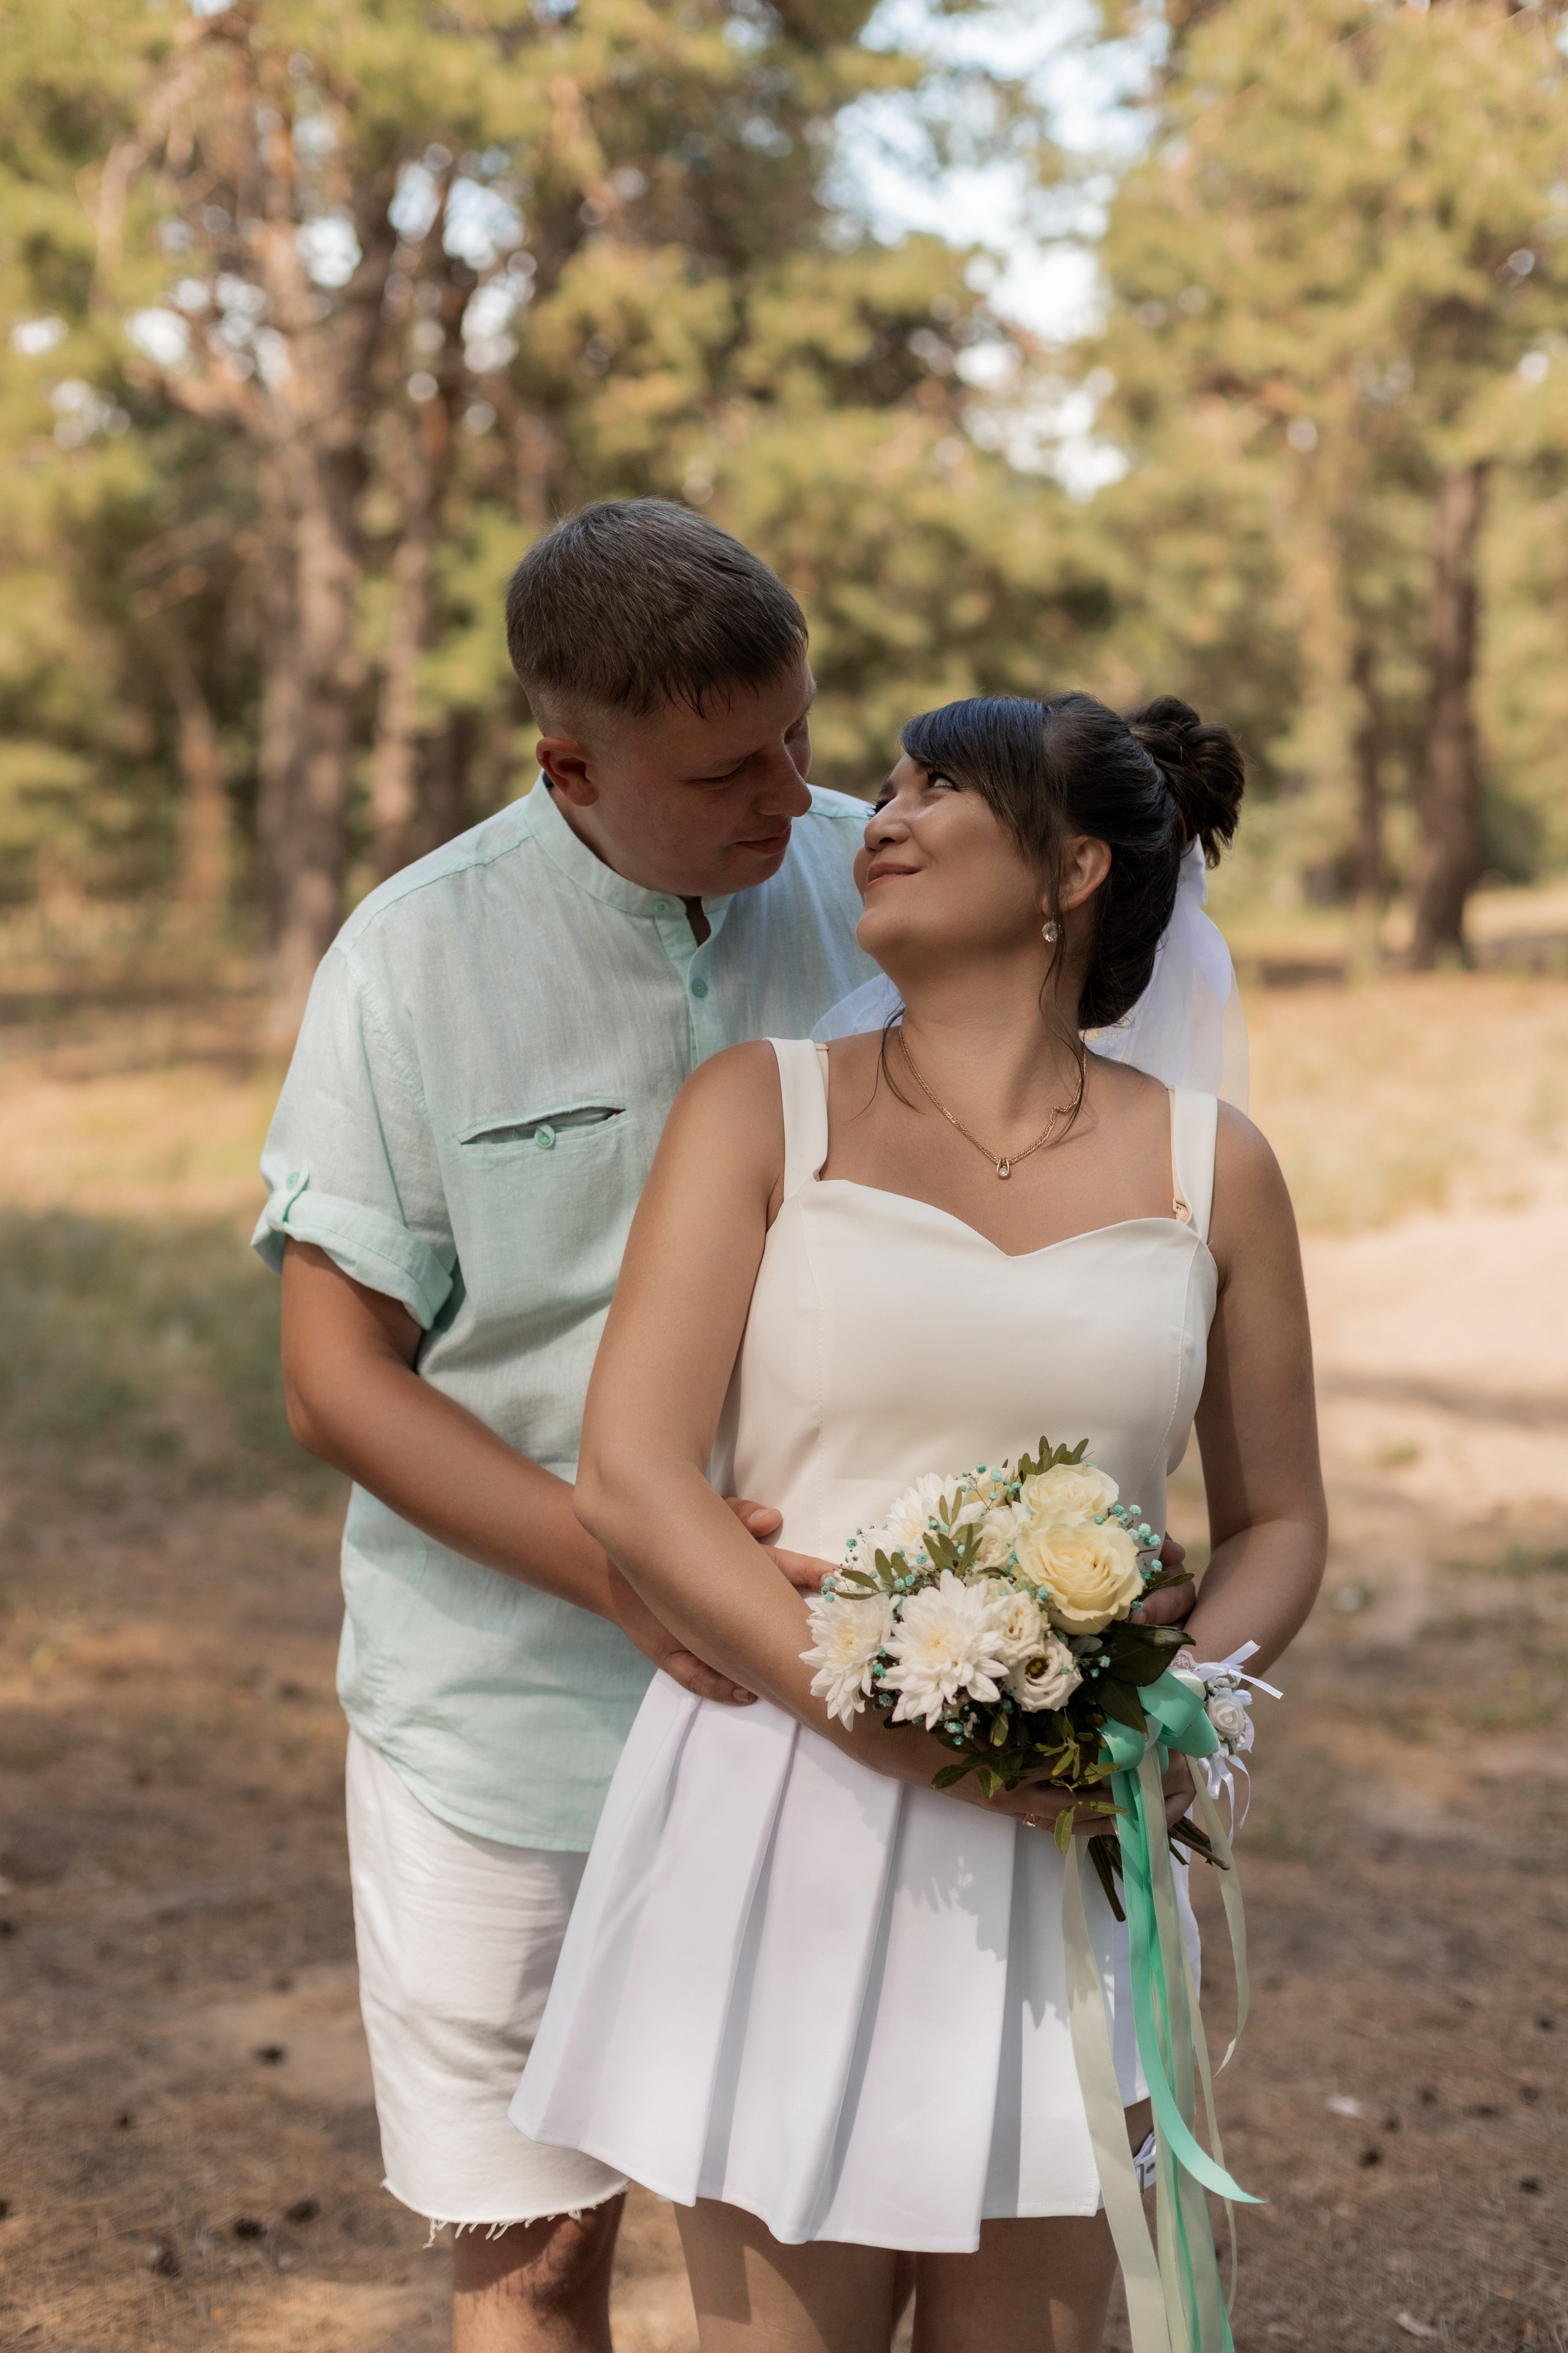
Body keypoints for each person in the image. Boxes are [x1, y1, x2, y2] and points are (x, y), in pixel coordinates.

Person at [511, 691, 1329, 2353]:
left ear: (1073, 868)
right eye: (889, 779)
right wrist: (867, 1712)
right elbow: (634, 1470)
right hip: (788, 1803)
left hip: (1062, 1846)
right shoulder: (763, 1107)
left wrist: (1164, 1703)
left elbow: (1281, 1520)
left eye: (941, 784)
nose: (879, 811)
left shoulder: (1211, 1167)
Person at [251, 500, 884, 2353]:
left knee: (792, 2222)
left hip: (826, 1709)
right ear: (570, 763)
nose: (790, 798)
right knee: (533, 2250)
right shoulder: (409, 959)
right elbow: (336, 1374)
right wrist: (626, 1564)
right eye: (725, 772)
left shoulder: (885, 884)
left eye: (799, 735)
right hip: (505, 1715)